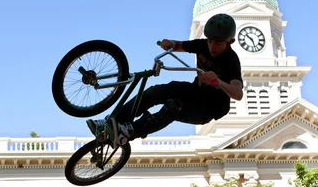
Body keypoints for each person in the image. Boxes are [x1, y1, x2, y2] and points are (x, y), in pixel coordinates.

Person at [87, 13, 243, 144]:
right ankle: (113, 122)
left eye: (218, 44)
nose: (212, 47)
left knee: (173, 107)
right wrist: (169, 43)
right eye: (209, 42)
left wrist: (219, 82)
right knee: (159, 91)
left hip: (208, 109)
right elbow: (179, 46)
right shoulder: (202, 45)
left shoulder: (231, 60)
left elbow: (238, 93)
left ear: (230, 42)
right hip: (195, 91)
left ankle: (130, 132)